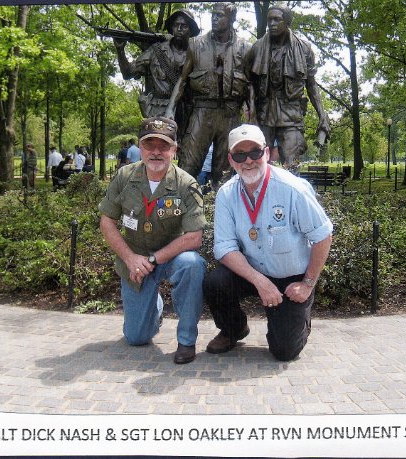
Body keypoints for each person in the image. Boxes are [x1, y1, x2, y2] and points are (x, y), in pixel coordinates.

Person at [204, 124, 333, 361]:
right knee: (215, 282)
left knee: (284, 352)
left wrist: (307, 284)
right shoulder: (226, 194)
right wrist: (260, 281)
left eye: (254, 152)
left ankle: (297, 320)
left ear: (266, 153)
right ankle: (234, 330)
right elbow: (224, 247)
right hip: (252, 273)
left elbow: (322, 236)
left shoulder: (293, 189)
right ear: (231, 160)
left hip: (290, 279)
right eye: (240, 155)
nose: (248, 161)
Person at [98, 116, 207, 364]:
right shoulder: (124, 177)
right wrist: (130, 258)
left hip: (171, 257)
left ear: (174, 150)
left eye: (164, 146)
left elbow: (194, 237)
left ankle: (187, 341)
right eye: (150, 145)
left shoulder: (186, 184)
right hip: (135, 260)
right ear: (140, 147)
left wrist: (152, 259)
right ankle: (153, 305)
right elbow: (107, 222)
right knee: (136, 337)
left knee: (193, 264)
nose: (156, 152)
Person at [165, 2, 252, 188]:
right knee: (188, 165)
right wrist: (170, 110)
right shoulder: (196, 45)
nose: (214, 18)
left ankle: (220, 209)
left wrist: (253, 117)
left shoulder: (245, 48)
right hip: (202, 112)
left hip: (231, 114)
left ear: (231, 19)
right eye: (213, 14)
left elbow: (251, 87)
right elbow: (182, 80)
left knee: (226, 173)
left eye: (219, 15)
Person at [245, 4, 330, 170]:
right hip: (264, 113)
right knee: (258, 162)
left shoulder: (304, 49)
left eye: (277, 19)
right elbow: (249, 84)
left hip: (291, 113)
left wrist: (322, 114)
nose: (272, 23)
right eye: (270, 19)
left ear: (288, 23)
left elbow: (311, 84)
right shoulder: (256, 48)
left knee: (291, 165)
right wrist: (252, 113)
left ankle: (291, 195)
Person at [114, 8, 200, 139]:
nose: (179, 29)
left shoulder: (198, 54)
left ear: (191, 30)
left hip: (189, 111)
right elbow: (128, 73)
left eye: (184, 26)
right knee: (157, 148)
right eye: (176, 25)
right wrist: (120, 50)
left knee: (187, 154)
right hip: (158, 111)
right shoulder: (156, 51)